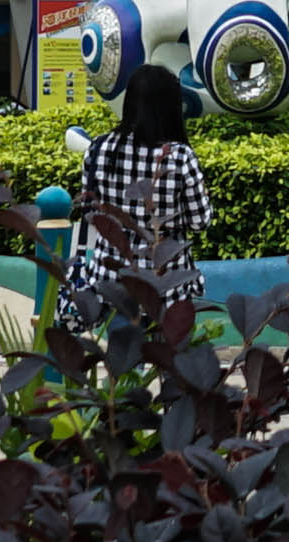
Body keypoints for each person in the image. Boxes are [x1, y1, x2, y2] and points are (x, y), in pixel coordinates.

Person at [59, 67, 216, 347]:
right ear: (171, 106)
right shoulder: (179, 157)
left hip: (113, 282)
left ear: (129, 102)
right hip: (167, 284)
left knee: (124, 371)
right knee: (175, 372)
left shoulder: (98, 149)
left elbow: (90, 213)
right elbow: (200, 221)